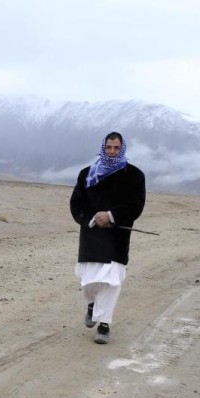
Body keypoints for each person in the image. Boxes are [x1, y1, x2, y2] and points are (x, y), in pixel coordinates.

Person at [69, 131, 146, 344]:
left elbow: (136, 205)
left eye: (116, 148)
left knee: (111, 282)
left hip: (116, 238)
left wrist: (111, 215)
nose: (112, 152)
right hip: (92, 236)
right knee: (89, 282)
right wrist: (91, 219)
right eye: (109, 147)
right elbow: (76, 203)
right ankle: (92, 305)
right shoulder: (87, 174)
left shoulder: (134, 176)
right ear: (103, 147)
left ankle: (104, 325)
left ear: (123, 148)